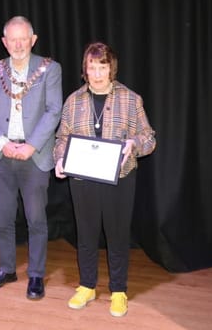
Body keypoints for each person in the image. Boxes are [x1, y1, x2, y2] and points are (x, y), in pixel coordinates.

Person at [53, 42, 156, 317]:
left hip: (119, 178)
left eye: (103, 67)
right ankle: (86, 285)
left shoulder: (131, 99)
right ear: (84, 70)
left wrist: (133, 143)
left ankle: (118, 290)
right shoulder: (73, 101)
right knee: (85, 234)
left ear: (112, 68)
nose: (97, 73)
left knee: (117, 235)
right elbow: (62, 138)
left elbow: (149, 138)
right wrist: (60, 159)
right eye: (92, 67)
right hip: (83, 178)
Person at [0, 15, 62, 300]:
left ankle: (36, 274)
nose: (17, 44)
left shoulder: (49, 69)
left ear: (33, 40)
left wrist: (31, 145)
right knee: (3, 218)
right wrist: (1, 142)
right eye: (11, 39)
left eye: (22, 38)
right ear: (4, 42)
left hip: (33, 156)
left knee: (36, 219)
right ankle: (6, 268)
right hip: (2, 155)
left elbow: (54, 111)